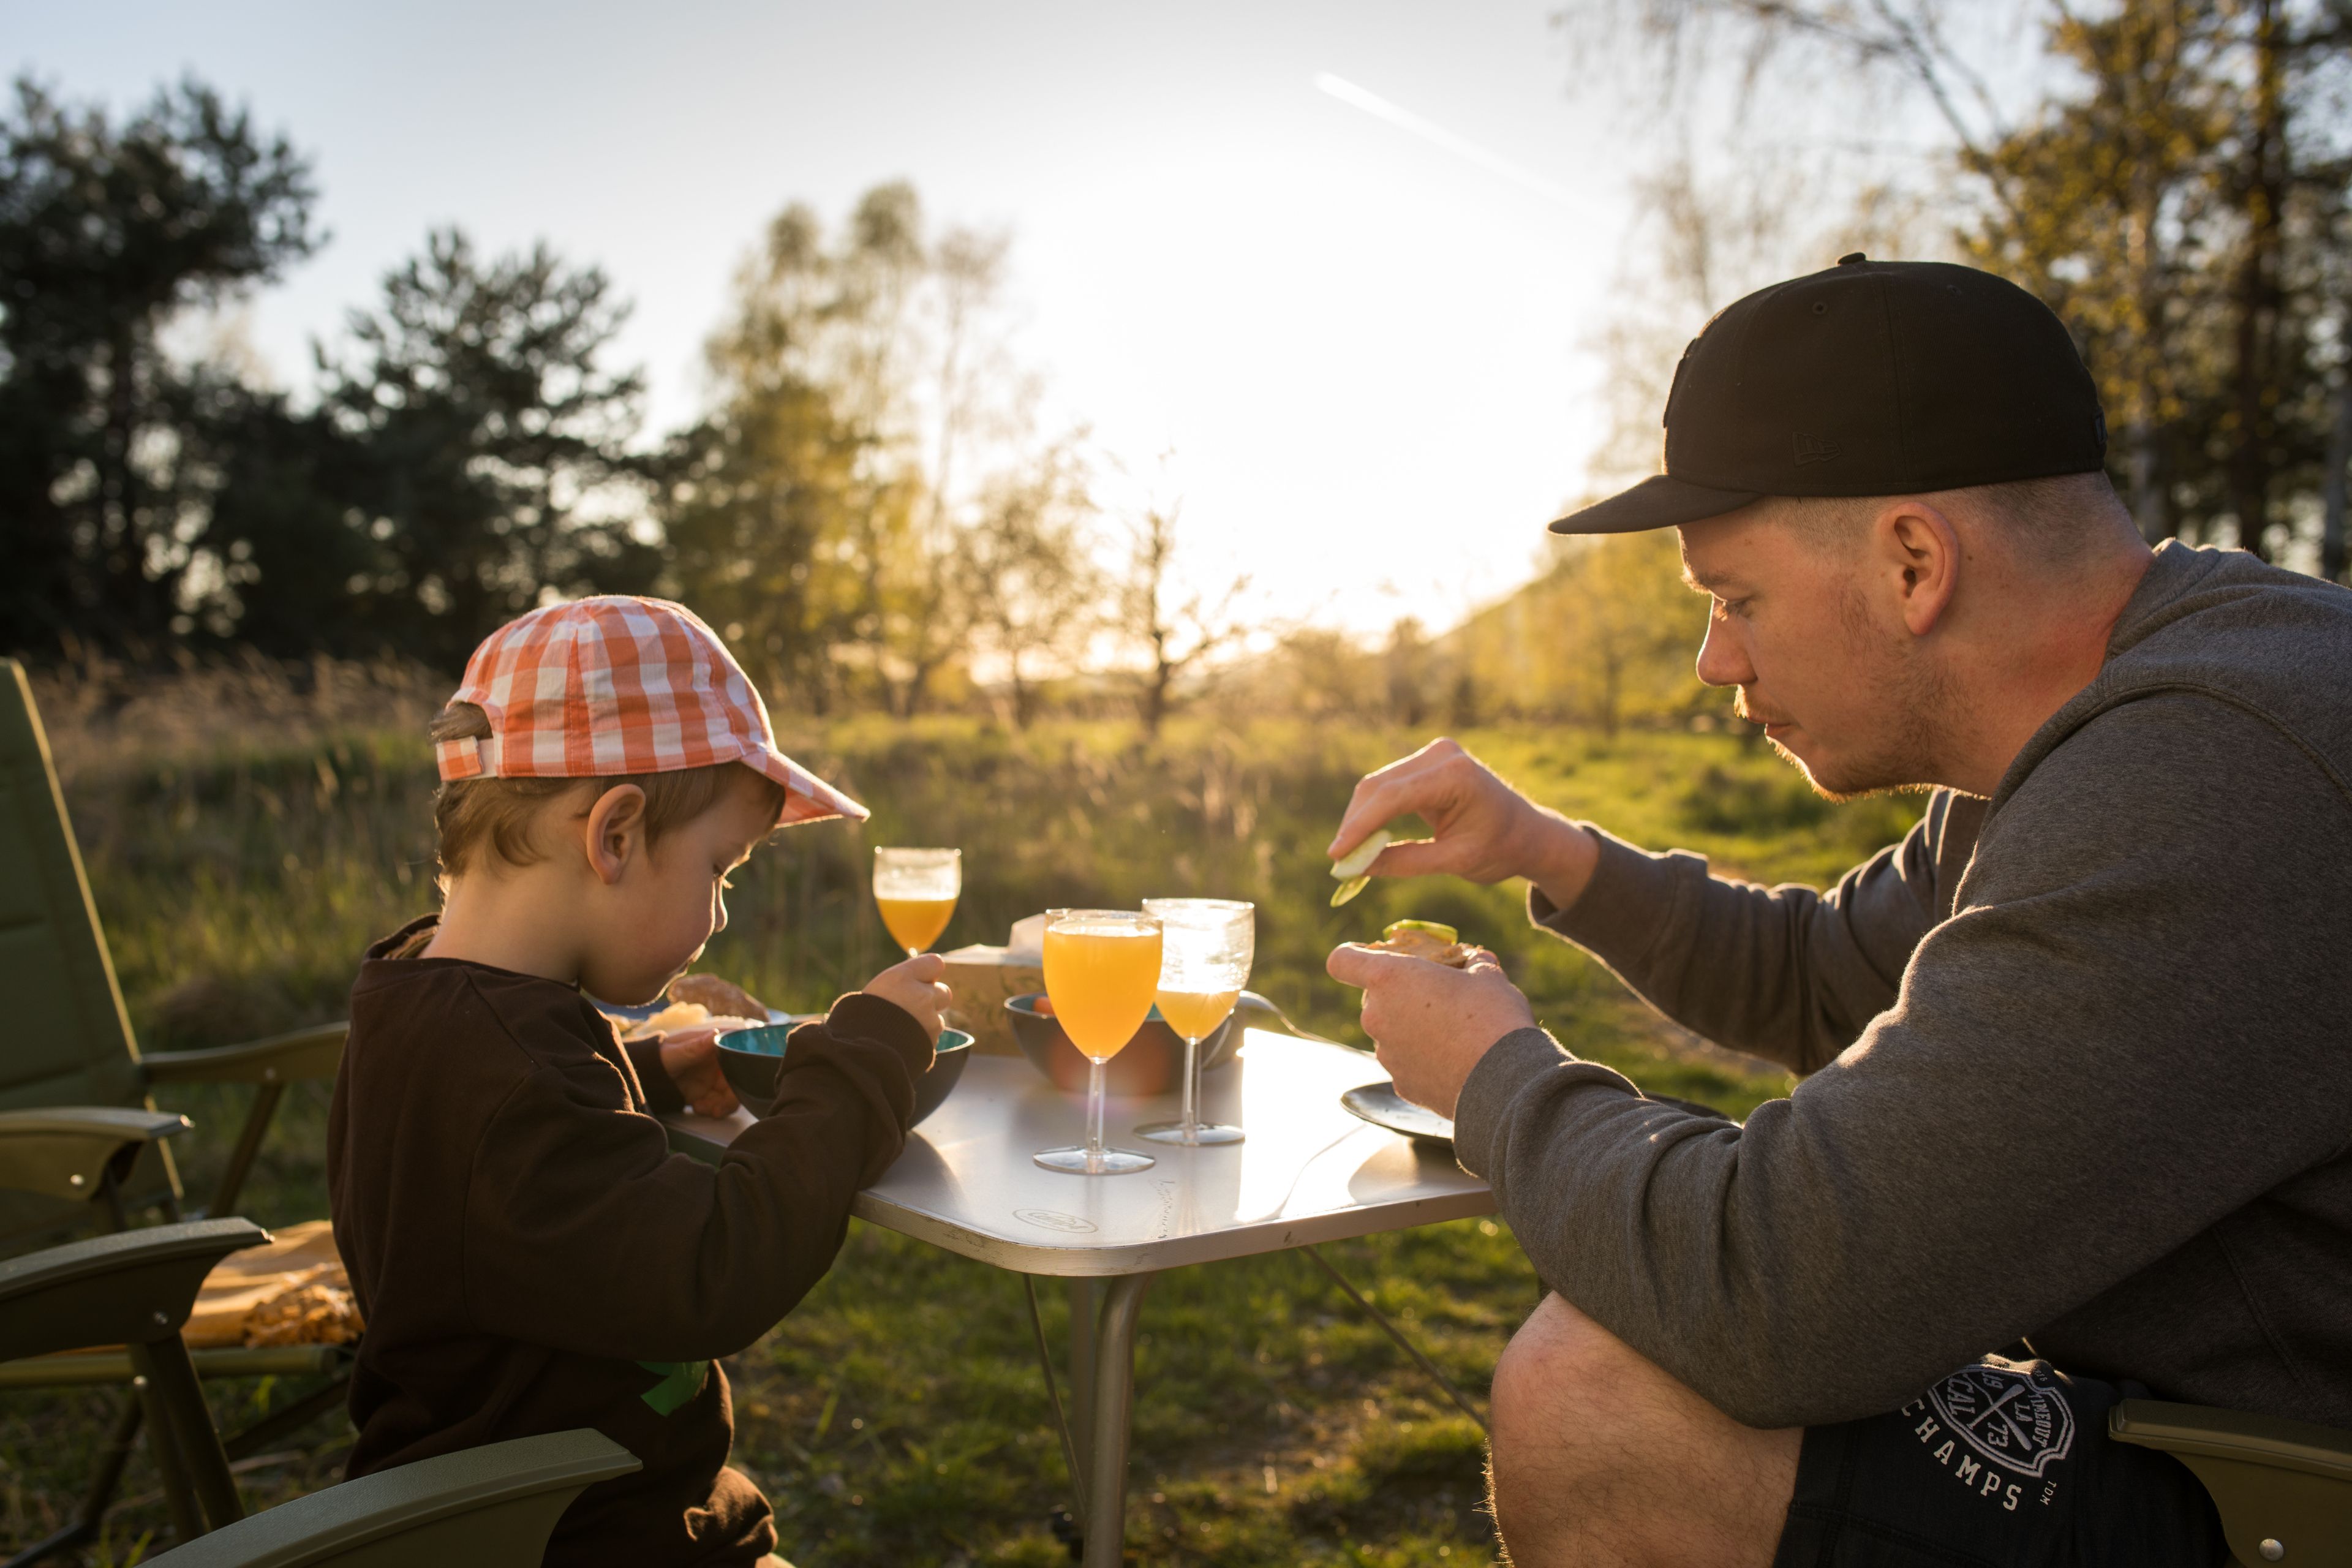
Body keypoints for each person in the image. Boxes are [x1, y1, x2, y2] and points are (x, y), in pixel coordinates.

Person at [1325, 257, 2352, 1567]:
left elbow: (1785, 1285)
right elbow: (1822, 975)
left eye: (1735, 599)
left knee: (1602, 1405)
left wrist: (1493, 1074)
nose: (1717, 659)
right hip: (2226, 1440)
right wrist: (1543, 847)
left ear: (1915, 560)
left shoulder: (2212, 766)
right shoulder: (2091, 735)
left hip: (2298, 1494)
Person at [328, 597, 951, 1568]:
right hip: (559, 1538)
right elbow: (714, 1267)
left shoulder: (436, 1005)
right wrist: (863, 1057)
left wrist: (655, 1069)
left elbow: (509, 1159)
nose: (719, 911)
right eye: (720, 868)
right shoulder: (504, 1065)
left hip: (585, 1515)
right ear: (615, 835)